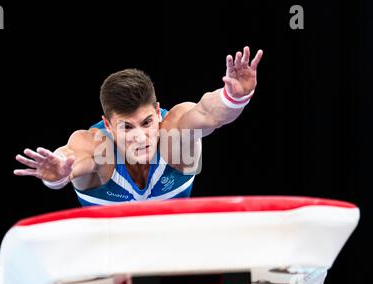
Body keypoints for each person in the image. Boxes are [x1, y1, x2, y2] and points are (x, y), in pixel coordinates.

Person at [14, 46, 263, 206]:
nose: (141, 137)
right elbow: (69, 161)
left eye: (146, 122)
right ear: (108, 126)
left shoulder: (173, 134)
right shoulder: (95, 147)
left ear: (157, 112)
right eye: (127, 127)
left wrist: (233, 97)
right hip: (111, 265)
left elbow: (209, 114)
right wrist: (58, 175)